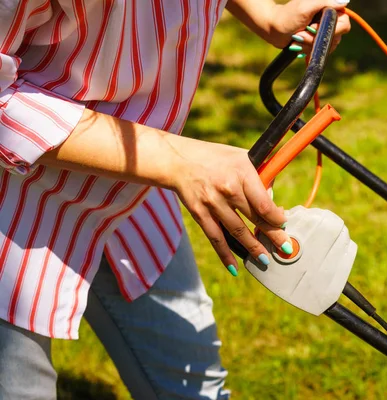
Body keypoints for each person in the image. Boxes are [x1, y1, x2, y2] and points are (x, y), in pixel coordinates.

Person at [0, 0, 351, 398]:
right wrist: (177, 160)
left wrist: (264, 14)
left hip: (134, 190)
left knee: (195, 388)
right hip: (12, 209)